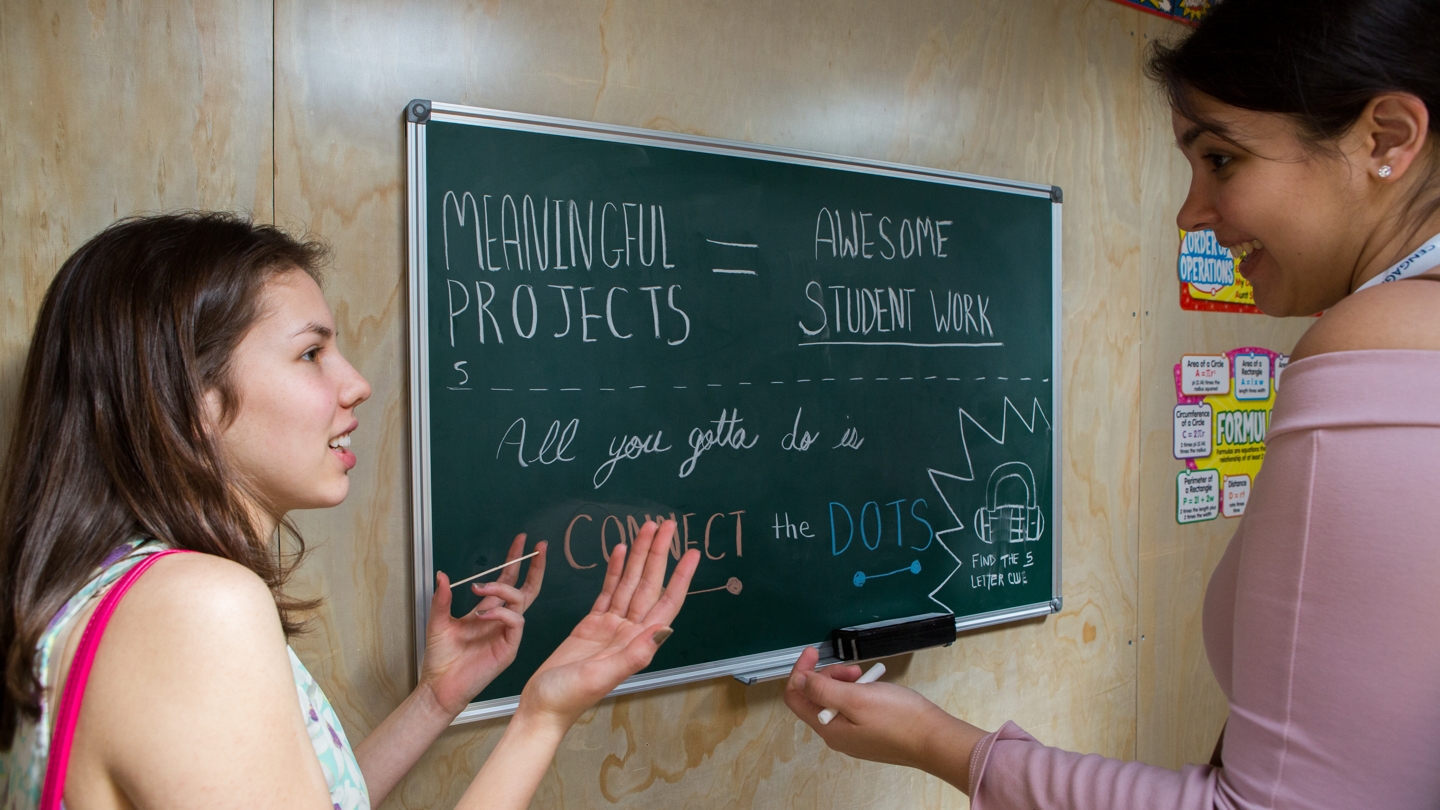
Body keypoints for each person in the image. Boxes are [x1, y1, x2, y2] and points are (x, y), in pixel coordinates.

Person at [785, 0, 1440, 807]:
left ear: (1387, 138)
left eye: (1223, 159)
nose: (1191, 212)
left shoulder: (1385, 340)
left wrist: (938, 744)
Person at [0, 212, 701, 810]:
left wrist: (433, 701)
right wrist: (543, 716)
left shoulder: (121, 591)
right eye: (311, 353)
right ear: (188, 399)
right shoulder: (196, 608)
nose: (358, 384)